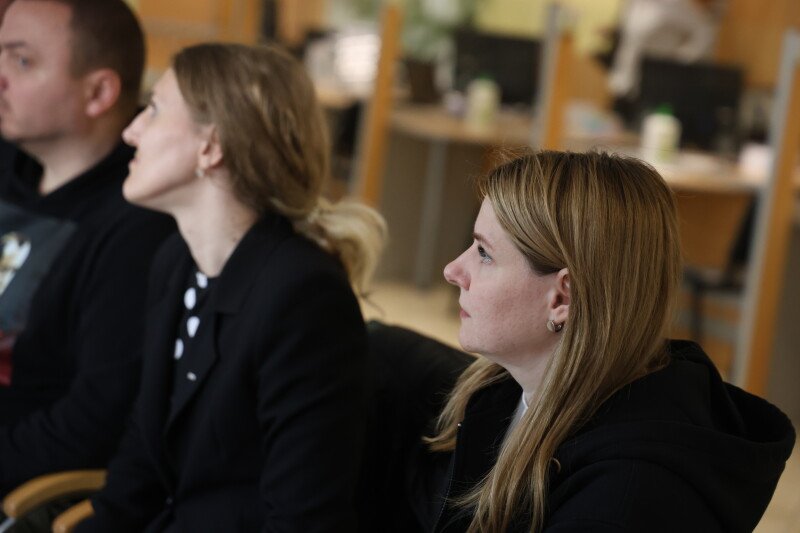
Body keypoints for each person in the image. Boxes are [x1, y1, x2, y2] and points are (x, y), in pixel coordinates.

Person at [76, 42, 386, 532]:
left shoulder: (303, 297)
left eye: (153, 110)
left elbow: (303, 521)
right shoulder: (176, 262)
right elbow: (142, 455)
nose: (131, 130)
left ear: (212, 146)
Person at [412, 151, 794, 532]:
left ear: (562, 298)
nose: (452, 270)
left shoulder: (623, 503)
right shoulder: (504, 387)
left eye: (484, 254)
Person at [0, 0, 173, 499]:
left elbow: (91, 425)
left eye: (22, 60)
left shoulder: (138, 226)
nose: (1, 76)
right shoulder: (10, 161)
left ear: (98, 92)